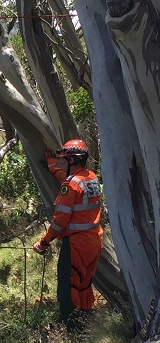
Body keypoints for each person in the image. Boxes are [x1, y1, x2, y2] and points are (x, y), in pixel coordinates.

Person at [33, 139, 103, 331]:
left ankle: (72, 329)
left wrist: (43, 242)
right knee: (84, 282)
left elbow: (59, 221)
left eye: (63, 159)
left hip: (76, 243)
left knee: (68, 286)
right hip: (94, 239)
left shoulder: (71, 186)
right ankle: (87, 320)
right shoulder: (90, 177)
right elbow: (67, 177)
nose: (61, 161)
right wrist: (52, 166)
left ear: (72, 159)